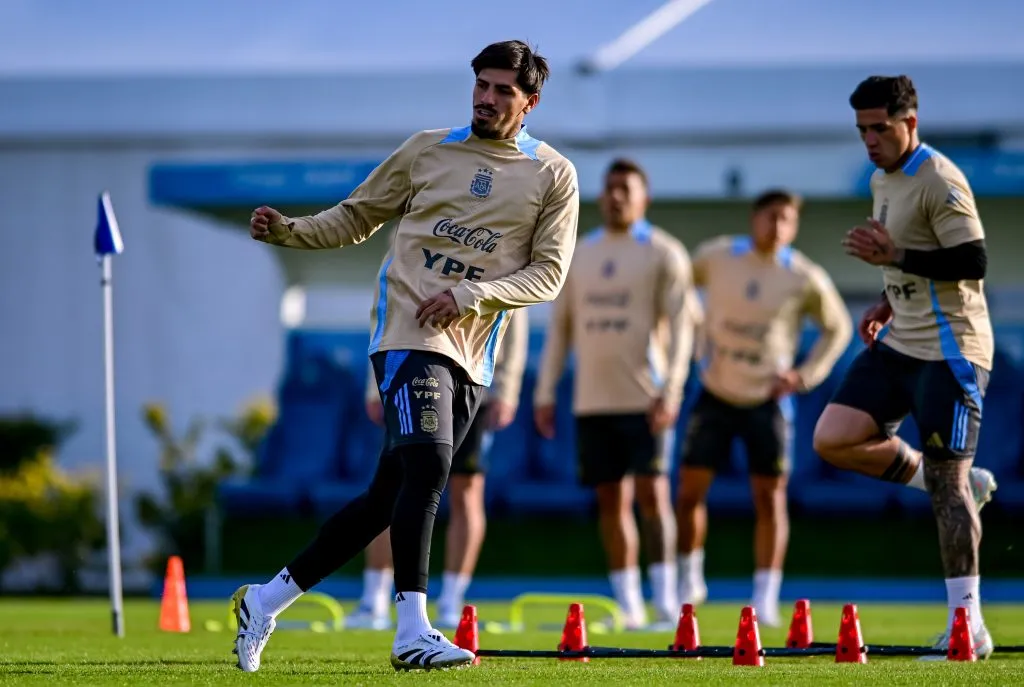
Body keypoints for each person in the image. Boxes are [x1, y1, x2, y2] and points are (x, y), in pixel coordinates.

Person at [236, 40, 579, 672]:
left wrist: (472, 293)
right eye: (481, 83)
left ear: (529, 102)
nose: (486, 97)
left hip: (473, 355)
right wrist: (290, 231)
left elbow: (549, 276)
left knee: (382, 499)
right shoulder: (426, 148)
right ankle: (412, 630)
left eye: (503, 89)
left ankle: (265, 600)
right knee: (430, 470)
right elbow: (356, 216)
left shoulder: (553, 174)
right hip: (405, 334)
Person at [812, 75, 998, 658]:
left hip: (951, 350)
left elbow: (973, 259)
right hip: (902, 342)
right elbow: (913, 256)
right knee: (832, 438)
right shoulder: (880, 178)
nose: (869, 139)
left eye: (880, 128)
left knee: (950, 485)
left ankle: (969, 626)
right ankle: (938, 478)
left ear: (909, 123)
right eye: (862, 129)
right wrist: (888, 300)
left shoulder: (939, 179)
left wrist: (894, 258)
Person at [674, 190, 853, 627]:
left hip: (768, 400)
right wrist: (693, 331)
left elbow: (839, 328)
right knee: (690, 491)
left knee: (770, 498)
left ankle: (765, 599)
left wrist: (805, 375)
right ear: (754, 219)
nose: (777, 226)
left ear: (794, 227)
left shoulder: (803, 275)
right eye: (771, 216)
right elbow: (677, 287)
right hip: (715, 390)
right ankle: (688, 585)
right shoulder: (718, 255)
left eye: (787, 220)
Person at [534, 158, 694, 630]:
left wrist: (672, 389)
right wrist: (545, 391)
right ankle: (628, 604)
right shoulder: (580, 252)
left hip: (647, 398)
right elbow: (560, 330)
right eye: (609, 188)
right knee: (610, 501)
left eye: (626, 188)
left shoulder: (665, 252)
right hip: (592, 401)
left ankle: (666, 602)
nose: (616, 196)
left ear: (644, 197)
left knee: (653, 495)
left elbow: (684, 328)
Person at [348, 307, 529, 630]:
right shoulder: (413, 253)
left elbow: (512, 320)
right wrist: (373, 384)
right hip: (414, 380)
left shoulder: (502, 257)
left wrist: (508, 389)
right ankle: (373, 599)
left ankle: (450, 601)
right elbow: (388, 310)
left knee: (466, 494)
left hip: (475, 385)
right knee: (392, 488)